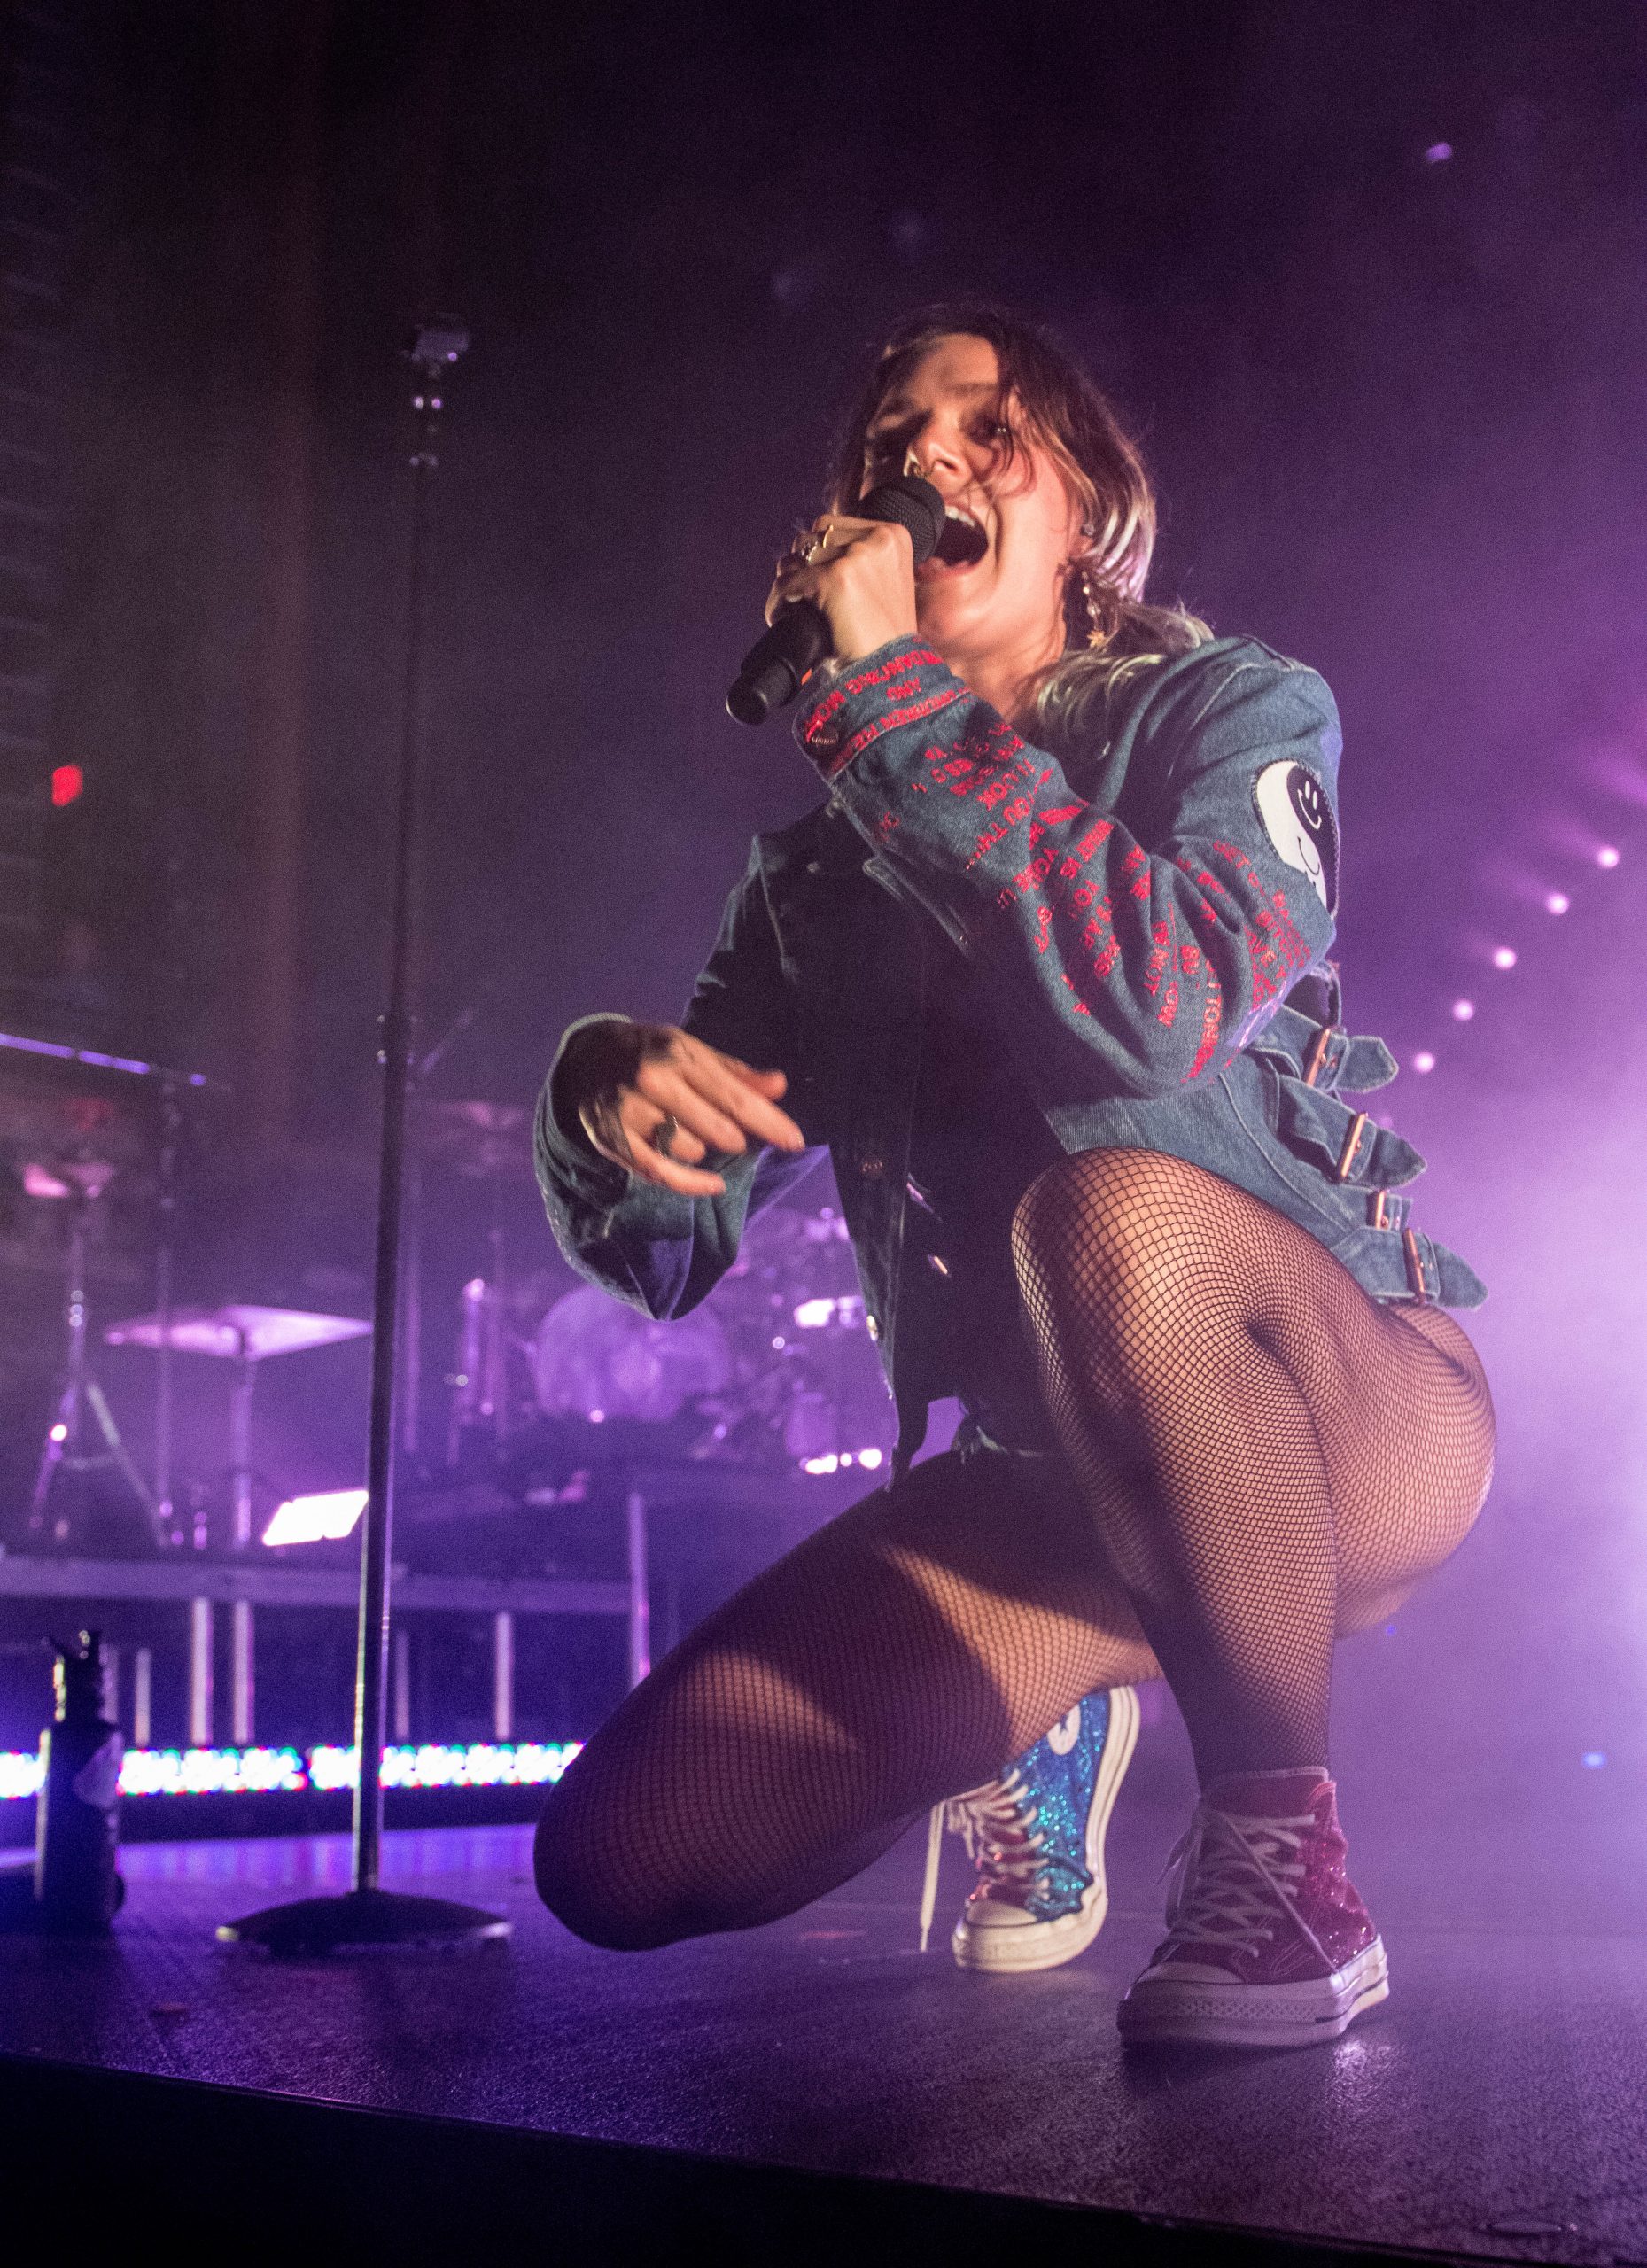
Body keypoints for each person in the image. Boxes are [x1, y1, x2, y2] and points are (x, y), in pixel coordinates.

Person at [532, 305, 1495, 2048]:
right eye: (896, 437)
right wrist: (605, 1103)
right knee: (621, 1856)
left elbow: (1162, 1000)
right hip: (1048, 1485)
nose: (930, 453)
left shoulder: (1231, 708)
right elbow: (671, 1249)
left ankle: (1286, 1862)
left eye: (991, 429)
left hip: (1351, 1416)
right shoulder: (812, 883)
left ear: (1088, 518)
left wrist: (888, 708)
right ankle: (1046, 1696)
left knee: (1110, 1214)